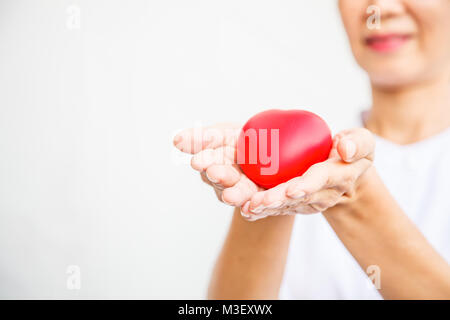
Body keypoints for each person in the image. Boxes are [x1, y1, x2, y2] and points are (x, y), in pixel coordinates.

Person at [173, 0, 450, 299]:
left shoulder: (327, 169)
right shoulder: (311, 169)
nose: (380, 8)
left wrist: (351, 200)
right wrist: (261, 197)